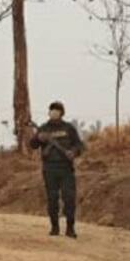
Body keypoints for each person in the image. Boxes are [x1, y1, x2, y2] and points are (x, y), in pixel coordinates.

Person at [29, 101, 85, 238]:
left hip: (66, 168)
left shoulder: (68, 128)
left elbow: (79, 145)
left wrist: (73, 152)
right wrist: (38, 138)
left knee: (69, 198)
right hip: (49, 168)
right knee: (52, 199)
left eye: (57, 110)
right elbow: (33, 145)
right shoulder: (43, 128)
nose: (54, 112)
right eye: (52, 110)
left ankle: (70, 228)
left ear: (61, 113)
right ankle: (54, 227)